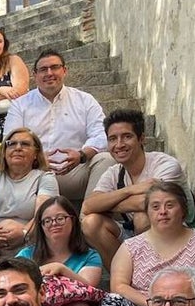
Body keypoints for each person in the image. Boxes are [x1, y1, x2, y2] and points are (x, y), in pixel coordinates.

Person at [80, 109, 188, 266]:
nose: (119, 145)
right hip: (133, 235)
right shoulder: (114, 173)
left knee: (143, 217)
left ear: (142, 138)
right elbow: (88, 206)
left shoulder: (165, 164)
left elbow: (150, 203)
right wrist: (129, 190)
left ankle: (154, 274)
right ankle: (125, 278)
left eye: (127, 136)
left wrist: (110, 204)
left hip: (174, 233)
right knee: (91, 223)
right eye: (112, 139)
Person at [19, 195, 135, 306]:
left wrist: (62, 269)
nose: (54, 224)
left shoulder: (89, 256)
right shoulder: (26, 254)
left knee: (78, 305)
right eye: (47, 221)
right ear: (41, 227)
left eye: (60, 218)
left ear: (73, 220)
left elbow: (88, 289)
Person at [4, 50, 113, 204]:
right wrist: (37, 159)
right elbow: (10, 141)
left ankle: (89, 218)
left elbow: (102, 134)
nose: (49, 73)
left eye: (54, 67)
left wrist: (81, 155)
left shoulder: (84, 100)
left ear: (64, 70)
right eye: (43, 69)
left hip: (75, 172)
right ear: (34, 75)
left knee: (106, 160)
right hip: (34, 172)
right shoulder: (20, 105)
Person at [108, 180, 195, 306]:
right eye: (155, 207)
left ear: (183, 210)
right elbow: (118, 286)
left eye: (170, 205)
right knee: (112, 303)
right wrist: (155, 304)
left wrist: (176, 305)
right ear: (148, 212)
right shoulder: (131, 246)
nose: (162, 211)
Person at [0, 127, 58, 258]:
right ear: (4, 151)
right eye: (11, 144)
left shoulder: (45, 178)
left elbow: (43, 214)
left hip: (29, 241)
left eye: (25, 144)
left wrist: (23, 234)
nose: (18, 148)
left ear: (36, 153)